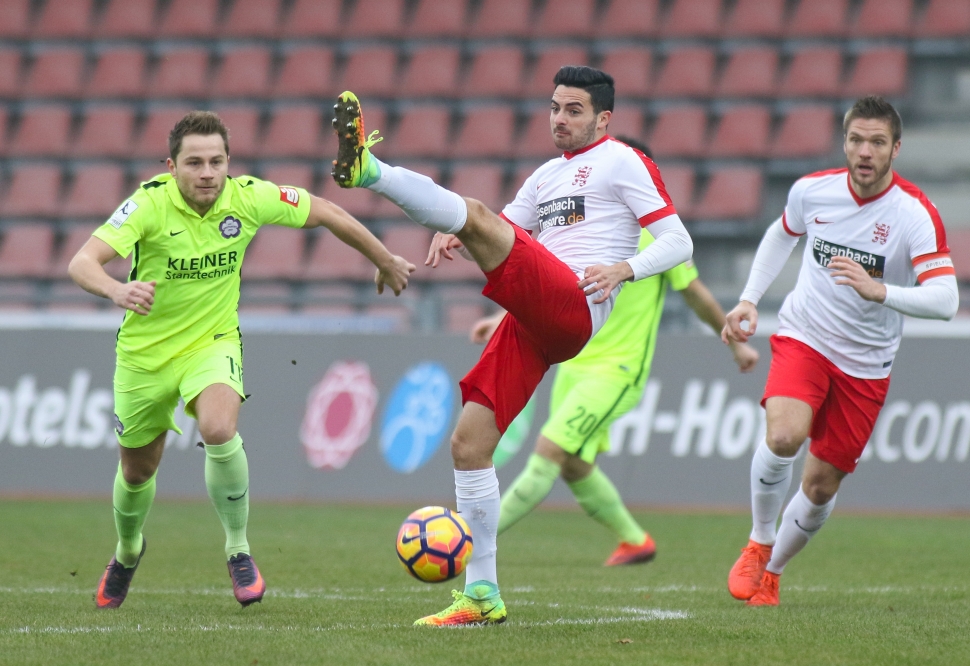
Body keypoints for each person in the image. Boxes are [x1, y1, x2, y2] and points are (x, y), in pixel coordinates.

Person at [331, 67, 694, 625]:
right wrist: (458, 232)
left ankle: (370, 170)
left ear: (603, 118)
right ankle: (482, 596)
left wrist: (625, 268)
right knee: (469, 444)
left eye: (573, 110)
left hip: (575, 305)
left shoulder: (624, 160)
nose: (559, 119)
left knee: (472, 213)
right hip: (536, 318)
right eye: (554, 108)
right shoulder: (547, 176)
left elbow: (678, 240)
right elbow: (508, 232)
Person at [68, 111, 414, 609]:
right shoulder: (147, 204)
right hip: (144, 357)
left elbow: (327, 211)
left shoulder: (248, 196)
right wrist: (116, 290)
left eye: (216, 161)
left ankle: (238, 550)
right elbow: (82, 262)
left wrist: (382, 257)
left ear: (229, 162)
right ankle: (127, 551)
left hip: (213, 343)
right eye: (194, 163)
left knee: (218, 427)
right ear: (172, 166)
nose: (207, 172)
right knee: (138, 471)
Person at [469, 137, 759, 566]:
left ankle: (469, 544)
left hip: (616, 371)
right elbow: (549, 291)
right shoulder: (586, 228)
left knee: (548, 452)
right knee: (571, 464)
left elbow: (695, 294)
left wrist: (735, 346)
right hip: (573, 362)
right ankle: (634, 540)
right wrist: (499, 321)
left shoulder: (656, 237)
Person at [722, 96, 958, 607]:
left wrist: (882, 292)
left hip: (866, 362)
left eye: (877, 142)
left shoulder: (914, 214)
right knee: (784, 435)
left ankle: (774, 572)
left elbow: (946, 300)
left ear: (896, 148)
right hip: (806, 334)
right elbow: (781, 234)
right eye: (856, 140)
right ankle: (759, 543)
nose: (865, 152)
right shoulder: (812, 191)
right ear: (844, 142)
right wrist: (748, 298)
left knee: (822, 485)